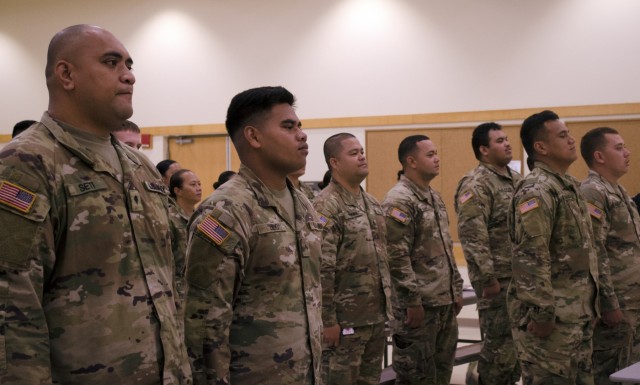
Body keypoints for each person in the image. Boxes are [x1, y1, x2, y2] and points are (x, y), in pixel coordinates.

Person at [0, 24, 190, 384]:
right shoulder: (26, 164)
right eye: (111, 62)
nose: (129, 75)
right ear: (66, 74)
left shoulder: (140, 167)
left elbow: (175, 273)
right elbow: (11, 309)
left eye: (130, 65)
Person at [183, 86, 323, 384]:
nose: (302, 135)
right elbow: (205, 323)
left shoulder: (302, 204)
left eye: (300, 126)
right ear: (254, 136)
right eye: (288, 126)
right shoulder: (226, 211)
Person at [508, 110, 599, 385]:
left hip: (577, 315)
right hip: (552, 324)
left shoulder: (568, 186)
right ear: (541, 147)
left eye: (569, 133)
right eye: (562, 135)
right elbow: (531, 257)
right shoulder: (537, 189)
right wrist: (543, 314)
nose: (572, 140)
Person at [383, 135, 464, 385]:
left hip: (443, 301)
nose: (437, 158)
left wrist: (456, 288)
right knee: (415, 377)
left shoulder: (433, 196)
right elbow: (396, 256)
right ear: (411, 161)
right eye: (430, 155)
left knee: (441, 374)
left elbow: (444, 248)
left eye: (436, 153)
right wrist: (411, 301)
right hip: (419, 308)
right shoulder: (400, 200)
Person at [313, 133, 393, 385]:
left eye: (362, 151)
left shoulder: (370, 202)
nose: (362, 156)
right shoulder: (326, 206)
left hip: (374, 317)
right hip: (344, 322)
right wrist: (328, 321)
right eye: (353, 153)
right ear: (335, 163)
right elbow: (321, 269)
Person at [454, 123, 521, 385]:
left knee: (516, 351)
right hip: (499, 283)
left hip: (522, 279)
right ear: (483, 149)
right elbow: (473, 236)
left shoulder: (517, 180)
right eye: (499, 141)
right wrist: (487, 279)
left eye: (506, 139)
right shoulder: (476, 184)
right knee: (499, 352)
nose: (507, 144)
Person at [579, 127, 640, 385]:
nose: (627, 153)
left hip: (632, 298)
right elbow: (595, 249)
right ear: (599, 156)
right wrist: (609, 302)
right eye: (618, 148)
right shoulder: (593, 191)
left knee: (630, 370)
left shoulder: (619, 191)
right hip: (617, 303)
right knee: (610, 374)